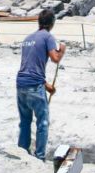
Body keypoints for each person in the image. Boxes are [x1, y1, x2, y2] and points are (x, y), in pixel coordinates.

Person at [16, 10, 66, 160]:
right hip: (34, 86)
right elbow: (55, 58)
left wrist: (46, 85)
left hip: (21, 83)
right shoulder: (48, 37)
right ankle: (39, 157)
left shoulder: (28, 38)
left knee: (25, 121)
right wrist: (62, 50)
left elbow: (29, 66)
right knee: (42, 122)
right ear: (52, 23)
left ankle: (22, 152)